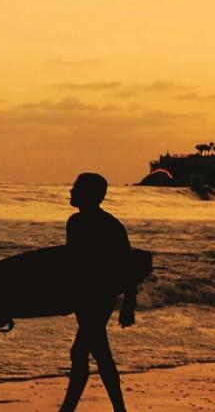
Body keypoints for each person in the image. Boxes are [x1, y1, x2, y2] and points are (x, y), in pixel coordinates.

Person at [58, 172, 137, 412]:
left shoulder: (110, 226)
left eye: (76, 187)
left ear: (90, 194)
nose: (71, 191)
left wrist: (129, 305)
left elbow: (127, 265)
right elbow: (73, 264)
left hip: (100, 296)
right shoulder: (75, 222)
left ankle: (71, 409)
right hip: (83, 295)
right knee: (94, 352)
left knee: (85, 351)